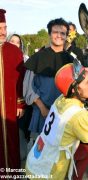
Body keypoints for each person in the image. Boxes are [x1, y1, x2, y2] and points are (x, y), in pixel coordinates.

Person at [25, 62, 88, 179]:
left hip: (35, 162)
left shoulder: (62, 99)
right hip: (47, 173)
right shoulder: (77, 116)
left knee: (85, 151)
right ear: (75, 89)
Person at [24, 18, 73, 138]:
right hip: (42, 115)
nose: (59, 36)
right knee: (39, 153)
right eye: (55, 32)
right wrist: (43, 108)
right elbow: (28, 88)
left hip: (64, 117)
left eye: (63, 33)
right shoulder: (37, 58)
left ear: (67, 36)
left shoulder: (71, 61)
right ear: (49, 34)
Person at [0, 9, 26, 173]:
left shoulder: (14, 51)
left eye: (5, 28)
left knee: (10, 141)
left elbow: (21, 80)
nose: (3, 32)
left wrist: (20, 103)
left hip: (9, 108)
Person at [7, 34, 32, 162]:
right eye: (12, 41)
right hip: (4, 105)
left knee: (20, 147)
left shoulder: (23, 61)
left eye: (17, 42)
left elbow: (23, 85)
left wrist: (20, 104)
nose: (14, 44)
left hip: (18, 107)